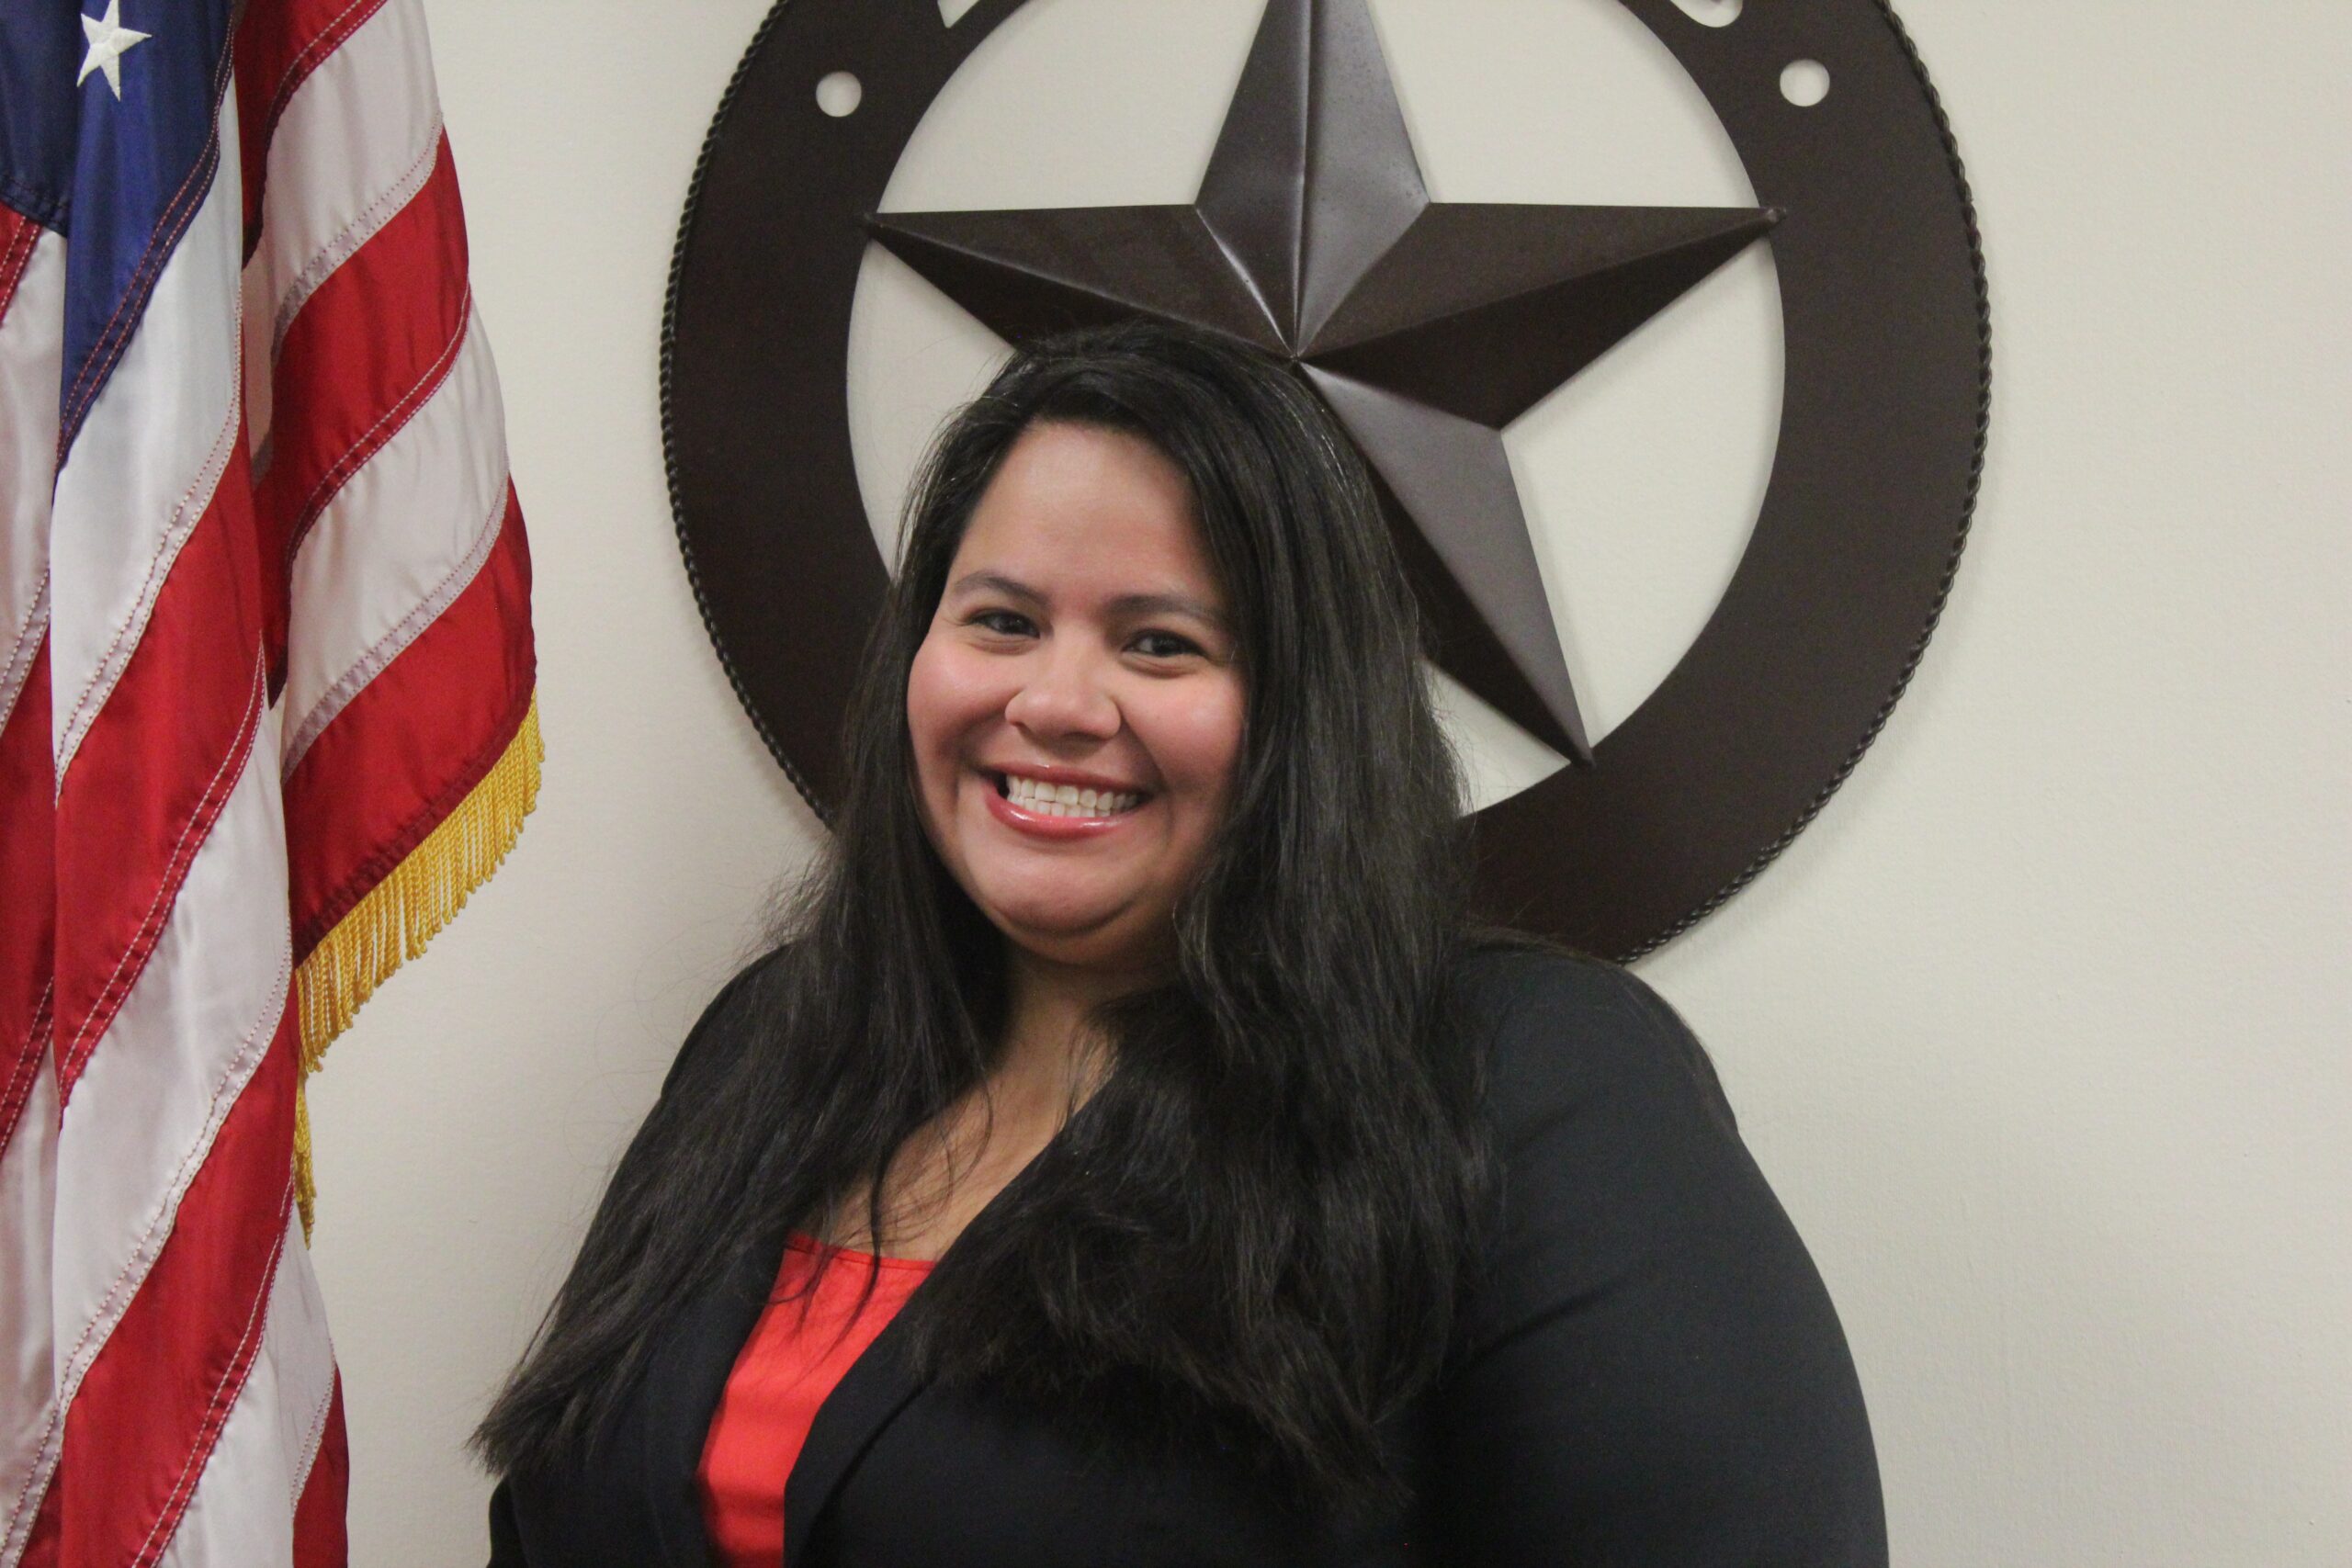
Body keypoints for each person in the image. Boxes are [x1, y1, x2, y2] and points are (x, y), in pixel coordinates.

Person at [473, 319, 1887, 1565]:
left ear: (1299, 715)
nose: (1057, 700)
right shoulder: (770, 1044)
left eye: (1159, 644)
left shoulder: (1532, 1086)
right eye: (1003, 620)